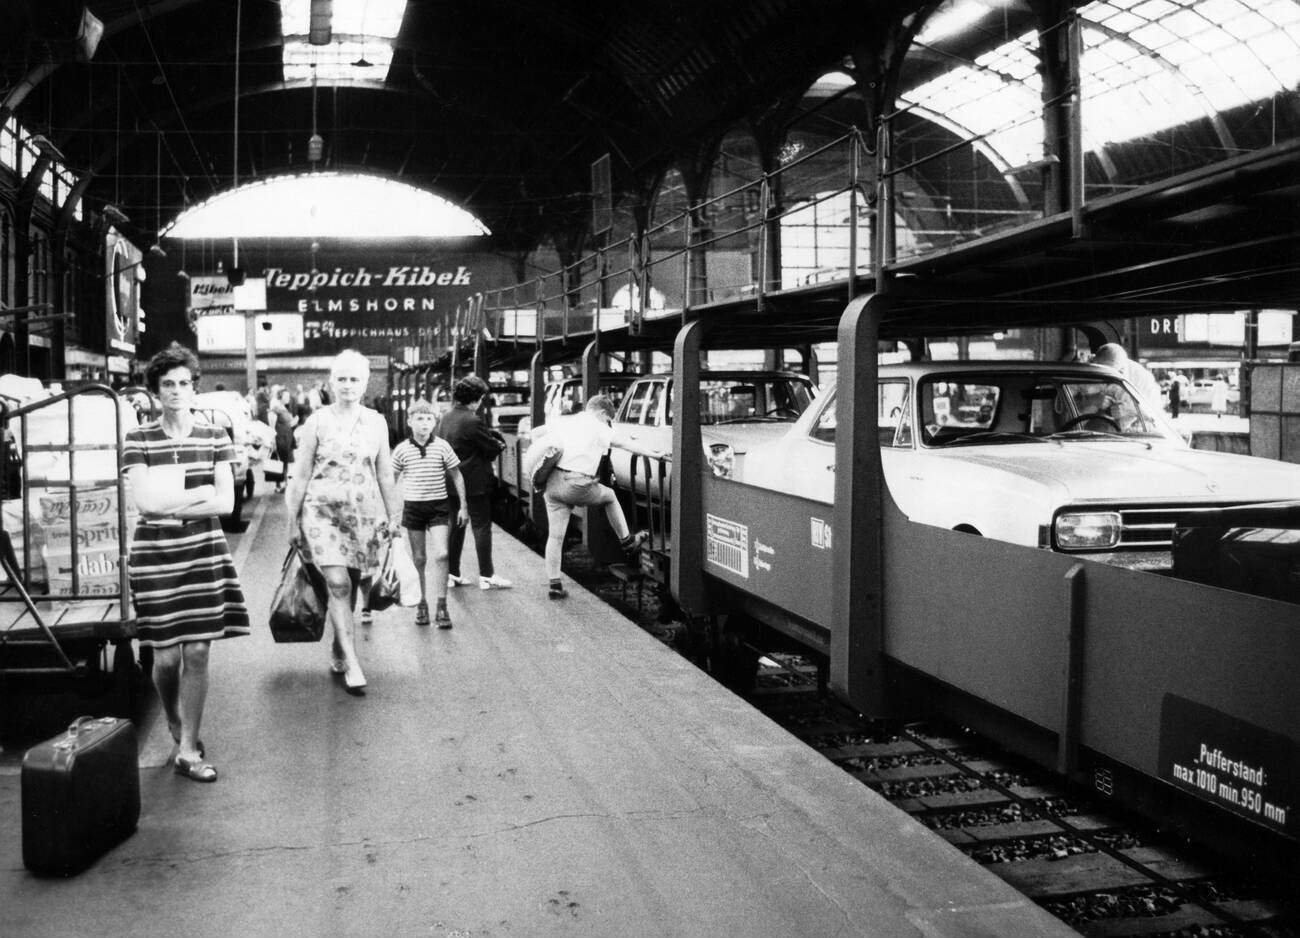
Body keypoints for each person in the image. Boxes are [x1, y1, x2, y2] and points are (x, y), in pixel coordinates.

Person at [122, 342, 249, 783]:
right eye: (167, 385)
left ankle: (189, 745)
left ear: (194, 388)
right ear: (156, 392)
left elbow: (227, 501)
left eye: (183, 383)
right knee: (166, 659)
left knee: (197, 650)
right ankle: (173, 715)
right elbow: (144, 502)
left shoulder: (216, 436)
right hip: (155, 554)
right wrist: (199, 496)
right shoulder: (139, 437)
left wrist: (173, 504)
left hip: (202, 552)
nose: (176, 391)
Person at [285, 350, 400, 695]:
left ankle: (339, 645)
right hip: (322, 514)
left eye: (355, 379)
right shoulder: (316, 422)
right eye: (342, 378)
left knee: (350, 585)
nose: (348, 385)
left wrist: (395, 518)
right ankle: (352, 661)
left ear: (365, 384)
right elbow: (300, 476)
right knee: (337, 583)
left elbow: (385, 474)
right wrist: (292, 521)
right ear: (331, 382)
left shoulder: (376, 422)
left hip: (363, 517)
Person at [526, 395, 654, 600]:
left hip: (553, 484)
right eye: (608, 420)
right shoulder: (597, 425)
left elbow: (535, 433)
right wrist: (653, 453)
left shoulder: (565, 421)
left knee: (556, 537)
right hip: (576, 483)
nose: (608, 424)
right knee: (610, 496)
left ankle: (555, 585)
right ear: (603, 413)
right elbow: (624, 443)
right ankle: (628, 541)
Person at [391, 399, 470, 626]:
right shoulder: (402, 450)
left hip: (438, 507)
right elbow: (391, 480)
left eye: (429, 419)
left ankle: (442, 605)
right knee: (419, 558)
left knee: (442, 554)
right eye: (419, 419)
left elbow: (456, 475)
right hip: (414, 508)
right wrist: (392, 515)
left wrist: (463, 506)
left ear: (434, 422)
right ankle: (422, 603)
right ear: (410, 422)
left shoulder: (442, 446)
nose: (424, 424)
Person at [440, 375, 511, 591]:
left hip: (451, 481)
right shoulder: (472, 420)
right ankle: (486, 576)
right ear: (475, 399)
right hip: (475, 483)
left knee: (456, 526)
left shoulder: (446, 418)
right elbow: (492, 447)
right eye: (480, 398)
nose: (480, 403)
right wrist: (498, 443)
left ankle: (452, 574)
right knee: (481, 526)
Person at [1091, 343, 1163, 412]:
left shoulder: (1142, 378)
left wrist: (1129, 410)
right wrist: (1091, 400)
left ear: (1120, 370)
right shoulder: (1091, 367)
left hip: (1132, 423)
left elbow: (1155, 409)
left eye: (1107, 374)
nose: (1105, 380)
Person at [269, 385, 295, 493]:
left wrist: (294, 421)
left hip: (287, 437)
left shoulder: (284, 408)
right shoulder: (276, 408)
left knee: (285, 462)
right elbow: (271, 425)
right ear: (280, 397)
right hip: (280, 438)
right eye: (286, 396)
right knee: (280, 461)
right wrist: (273, 440)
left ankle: (285, 483)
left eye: (288, 396)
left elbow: (288, 423)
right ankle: (279, 485)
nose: (288, 398)